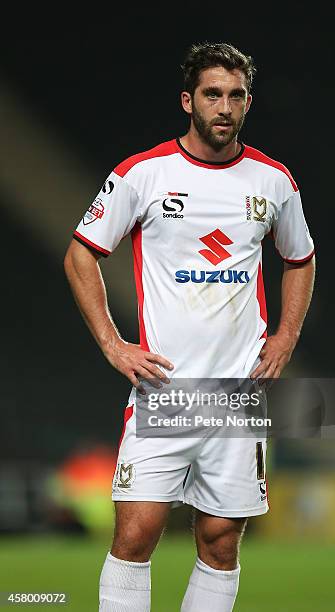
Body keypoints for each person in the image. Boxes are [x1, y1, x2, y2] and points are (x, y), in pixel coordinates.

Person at [64, 42, 315, 612]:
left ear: (248, 102)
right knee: (134, 537)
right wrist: (112, 343)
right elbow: (82, 255)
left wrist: (285, 338)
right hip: (164, 390)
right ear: (188, 101)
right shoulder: (142, 174)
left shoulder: (274, 181)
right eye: (212, 94)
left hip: (237, 393)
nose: (224, 107)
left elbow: (300, 260)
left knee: (221, 543)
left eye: (236, 95)